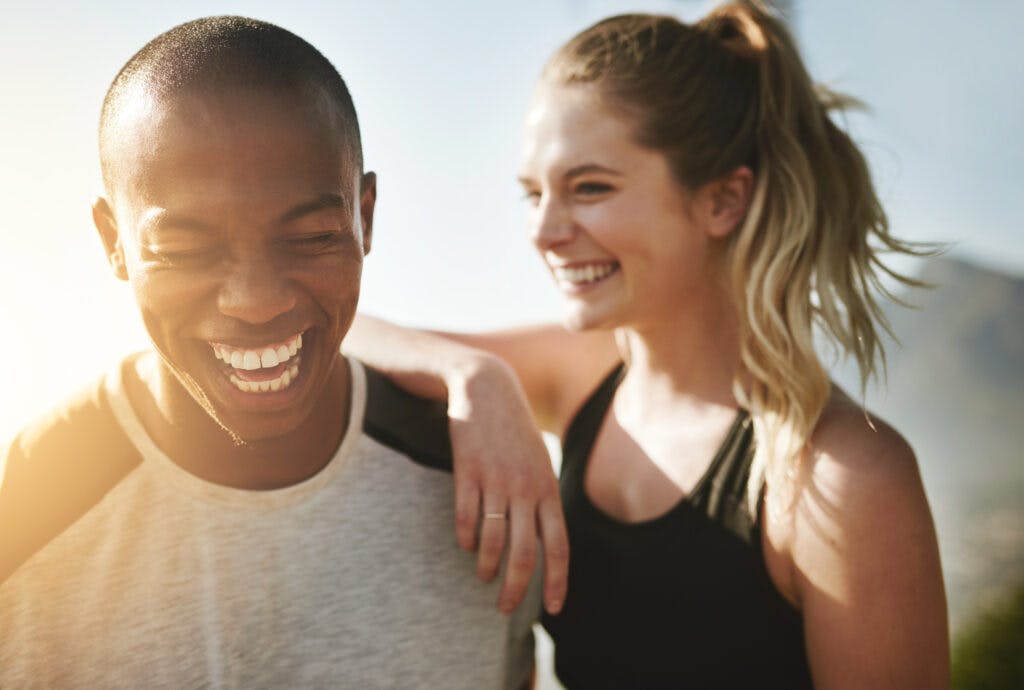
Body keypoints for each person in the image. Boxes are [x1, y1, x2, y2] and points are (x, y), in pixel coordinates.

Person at [346, 2, 950, 688]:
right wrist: (471, 374)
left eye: (590, 187)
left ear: (723, 201)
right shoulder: (580, 375)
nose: (543, 231)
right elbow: (341, 331)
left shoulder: (843, 480)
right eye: (532, 192)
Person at [0, 16, 562, 688]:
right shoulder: (25, 508)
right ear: (112, 240)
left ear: (367, 216)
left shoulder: (479, 487)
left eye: (312, 237)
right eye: (182, 249)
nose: (255, 300)